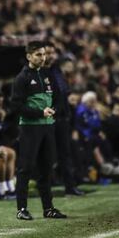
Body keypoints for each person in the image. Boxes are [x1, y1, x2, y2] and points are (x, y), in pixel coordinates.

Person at [10, 41, 67, 220]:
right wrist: (39, 112)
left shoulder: (47, 74)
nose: (42, 58)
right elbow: (16, 106)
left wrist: (54, 110)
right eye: (38, 55)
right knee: (25, 168)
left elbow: (59, 98)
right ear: (29, 56)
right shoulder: (22, 78)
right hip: (29, 128)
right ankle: (21, 209)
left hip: (47, 127)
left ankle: (48, 208)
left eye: (43, 54)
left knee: (46, 168)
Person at [44, 41, 84, 196]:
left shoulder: (57, 70)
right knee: (47, 155)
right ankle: (46, 188)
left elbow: (64, 93)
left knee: (65, 153)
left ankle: (70, 186)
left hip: (62, 119)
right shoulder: (40, 73)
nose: (51, 56)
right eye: (48, 52)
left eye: (53, 53)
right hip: (48, 119)